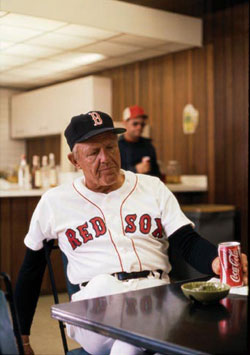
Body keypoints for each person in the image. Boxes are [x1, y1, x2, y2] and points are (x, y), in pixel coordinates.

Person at [14, 111, 248, 355]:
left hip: (155, 295)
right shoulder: (54, 201)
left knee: (130, 345)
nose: (106, 158)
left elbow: (186, 242)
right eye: (94, 152)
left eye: (111, 148)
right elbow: (31, 270)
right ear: (74, 160)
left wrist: (216, 262)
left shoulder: (152, 187)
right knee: (109, 291)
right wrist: (23, 337)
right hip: (94, 303)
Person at [118, 105, 161, 178]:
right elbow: (113, 175)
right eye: (135, 124)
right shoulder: (116, 146)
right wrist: (135, 170)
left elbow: (156, 174)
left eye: (142, 124)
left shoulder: (148, 146)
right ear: (125, 123)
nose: (139, 127)